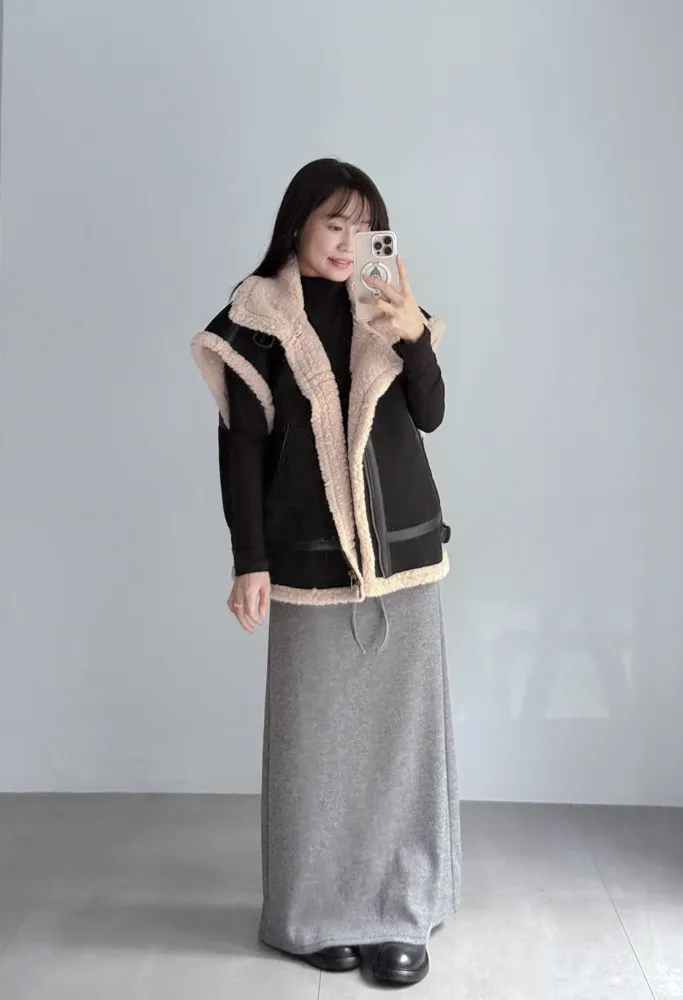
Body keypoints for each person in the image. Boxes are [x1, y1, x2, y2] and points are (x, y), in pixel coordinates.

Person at [191, 158, 461, 988]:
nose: (348, 243)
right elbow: (241, 449)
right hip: (308, 563)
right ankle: (312, 914)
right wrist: (249, 560)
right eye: (333, 224)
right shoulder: (254, 320)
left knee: (402, 749)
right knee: (313, 751)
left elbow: (430, 414)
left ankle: (402, 909)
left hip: (403, 562)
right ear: (298, 226)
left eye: (364, 226)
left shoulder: (388, 307)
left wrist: (412, 335)